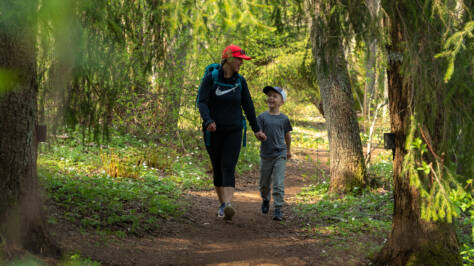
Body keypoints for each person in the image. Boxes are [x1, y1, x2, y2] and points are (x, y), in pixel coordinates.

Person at [198, 44, 266, 220]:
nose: (241, 63)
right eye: (239, 59)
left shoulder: (240, 81)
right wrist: (208, 121)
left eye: (242, 60)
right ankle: (222, 204)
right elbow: (202, 102)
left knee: (228, 165)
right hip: (213, 131)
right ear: (228, 58)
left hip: (234, 130)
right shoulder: (211, 78)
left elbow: (248, 107)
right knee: (218, 168)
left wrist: (256, 129)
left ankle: (228, 205)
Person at [257, 86, 292, 221]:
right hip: (266, 155)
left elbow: (287, 135)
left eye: (274, 96)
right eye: (269, 95)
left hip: (280, 154)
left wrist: (288, 150)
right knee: (264, 184)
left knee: (278, 183)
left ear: (281, 102)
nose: (271, 98)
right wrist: (260, 136)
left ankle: (278, 208)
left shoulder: (284, 119)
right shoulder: (262, 117)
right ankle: (265, 199)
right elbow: (257, 132)